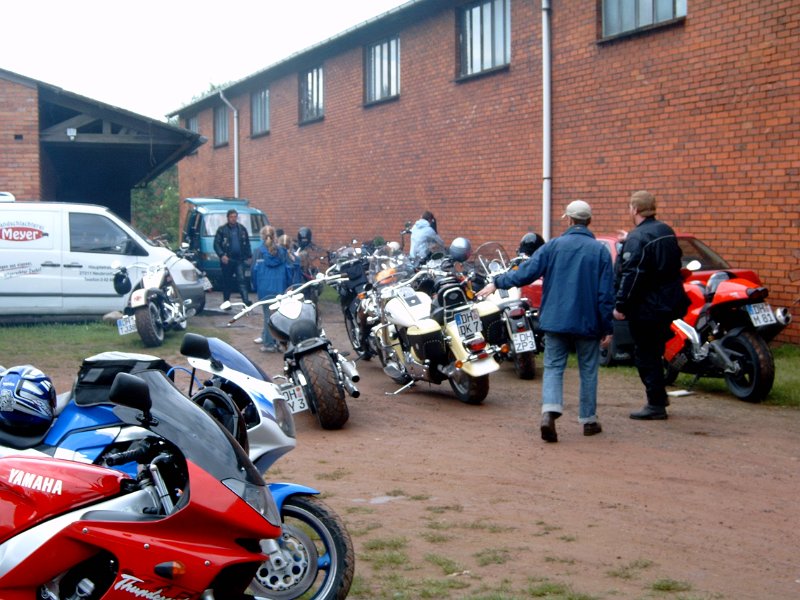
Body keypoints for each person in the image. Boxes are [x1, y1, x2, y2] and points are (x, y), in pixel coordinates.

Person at [476, 200, 614, 443]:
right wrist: (607, 326)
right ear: (588, 221)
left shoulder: (553, 246)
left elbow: (526, 272)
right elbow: (606, 294)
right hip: (588, 321)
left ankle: (549, 411)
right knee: (588, 370)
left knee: (553, 367)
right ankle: (589, 420)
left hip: (556, 319)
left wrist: (497, 283)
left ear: (569, 220)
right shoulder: (600, 251)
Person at [614, 190, 690, 420]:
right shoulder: (665, 231)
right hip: (669, 301)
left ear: (635, 209)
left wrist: (621, 305)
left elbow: (633, 274)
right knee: (655, 350)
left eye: (630, 207)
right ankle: (660, 396)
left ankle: (656, 403)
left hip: (647, 306)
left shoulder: (638, 237)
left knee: (645, 354)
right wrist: (629, 241)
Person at [251, 226, 291, 352]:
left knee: (268, 317)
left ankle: (269, 343)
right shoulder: (282, 251)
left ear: (262, 236)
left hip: (264, 288)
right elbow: (288, 269)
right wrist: (288, 285)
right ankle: (281, 343)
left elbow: (254, 271)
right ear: (275, 236)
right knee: (280, 316)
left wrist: (254, 286)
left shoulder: (258, 251)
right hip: (280, 287)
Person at [213, 209, 252, 305]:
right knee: (227, 282)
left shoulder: (242, 229)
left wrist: (249, 255)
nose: (233, 219)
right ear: (228, 218)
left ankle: (245, 301)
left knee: (242, 280)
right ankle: (226, 302)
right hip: (227, 259)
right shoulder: (222, 230)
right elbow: (216, 244)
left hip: (239, 259)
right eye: (231, 217)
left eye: (235, 217)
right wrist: (222, 255)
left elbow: (247, 243)